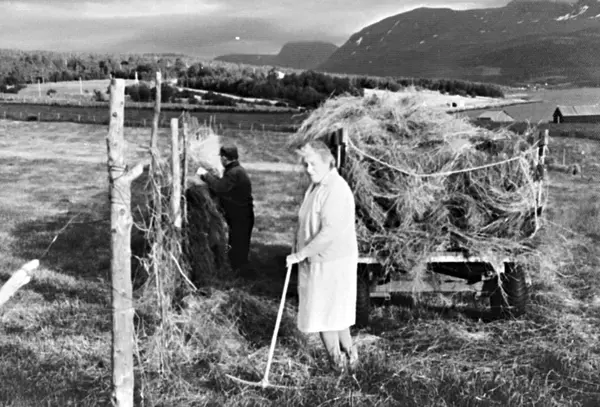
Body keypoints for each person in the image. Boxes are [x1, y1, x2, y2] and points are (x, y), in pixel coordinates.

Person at [286, 139, 359, 373]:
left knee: (326, 316)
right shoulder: (318, 186)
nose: (308, 169)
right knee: (335, 315)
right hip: (321, 261)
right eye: (305, 164)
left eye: (313, 164)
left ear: (329, 161)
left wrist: (301, 254)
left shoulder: (336, 189)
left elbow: (330, 232)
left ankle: (338, 367)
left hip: (331, 263)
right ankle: (352, 364)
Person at [198, 144, 255, 274]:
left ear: (224, 158)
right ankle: (239, 270)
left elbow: (219, 188)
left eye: (221, 158)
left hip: (241, 217)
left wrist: (205, 175)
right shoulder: (236, 170)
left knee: (237, 246)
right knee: (238, 244)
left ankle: (238, 273)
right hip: (243, 216)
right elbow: (224, 185)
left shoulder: (234, 173)